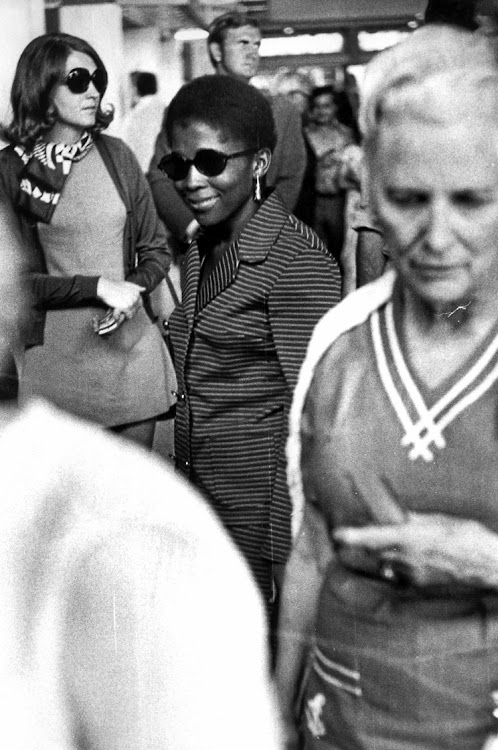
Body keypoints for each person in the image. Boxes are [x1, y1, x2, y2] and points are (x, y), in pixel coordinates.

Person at [277, 24, 498, 750]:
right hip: (342, 721)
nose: (438, 236)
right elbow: (311, 552)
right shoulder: (342, 338)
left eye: (470, 201)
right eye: (409, 199)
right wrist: (271, 706)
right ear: (368, 197)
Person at [0, 198, 281, 750]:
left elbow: (154, 247)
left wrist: (126, 286)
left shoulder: (130, 535)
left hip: (132, 375)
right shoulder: (19, 166)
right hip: (68, 372)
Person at [158, 75, 341, 622]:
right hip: (201, 498)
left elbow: (314, 421)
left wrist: (290, 559)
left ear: (260, 163)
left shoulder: (295, 261)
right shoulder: (200, 246)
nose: (191, 180)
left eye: (211, 163)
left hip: (264, 521)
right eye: (177, 165)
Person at [0, 33, 177, 449]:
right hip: (55, 370)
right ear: (43, 90)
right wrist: (96, 286)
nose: (94, 90)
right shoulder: (11, 170)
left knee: (135, 503)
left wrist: (132, 288)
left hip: (131, 354)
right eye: (78, 80)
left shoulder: (117, 156)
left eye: (97, 78)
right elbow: (11, 284)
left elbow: (155, 250)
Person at [147, 11, 307, 252]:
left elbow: (290, 176)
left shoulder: (281, 111)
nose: (253, 52)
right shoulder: (186, 107)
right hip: (201, 243)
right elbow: (161, 177)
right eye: (242, 43)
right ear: (217, 51)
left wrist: (263, 231)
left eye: (257, 44)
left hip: (261, 243)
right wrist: (192, 230)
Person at [301, 85, 358, 268]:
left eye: (326, 106)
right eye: (317, 106)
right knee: (315, 249)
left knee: (340, 249)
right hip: (313, 200)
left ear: (335, 108)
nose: (321, 111)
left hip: (339, 201)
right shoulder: (306, 134)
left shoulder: (346, 134)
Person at [122, 71, 166, 172]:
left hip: (145, 175)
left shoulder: (133, 116)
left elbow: (126, 152)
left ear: (136, 89)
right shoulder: (169, 110)